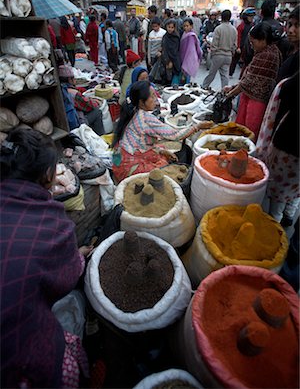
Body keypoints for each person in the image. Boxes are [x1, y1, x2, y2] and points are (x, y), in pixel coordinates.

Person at [0, 128, 93, 388]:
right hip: (15, 360)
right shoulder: (51, 224)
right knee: (63, 366)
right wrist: (78, 257)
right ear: (46, 175)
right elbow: (65, 280)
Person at [255, 6, 299, 225]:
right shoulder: (292, 54)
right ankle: (285, 216)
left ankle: (277, 229)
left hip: (291, 137)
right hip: (284, 131)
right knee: (287, 191)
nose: (291, 30)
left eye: (297, 26)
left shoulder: (279, 55)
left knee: (280, 193)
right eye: (290, 24)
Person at [112, 80, 205, 182]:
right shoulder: (145, 118)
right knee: (162, 168)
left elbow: (142, 142)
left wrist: (162, 151)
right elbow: (175, 135)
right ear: (141, 102)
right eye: (152, 96)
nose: (156, 99)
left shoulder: (133, 111)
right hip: (128, 165)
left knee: (161, 151)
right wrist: (197, 127)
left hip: (121, 158)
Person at [224, 22, 281, 139]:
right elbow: (249, 77)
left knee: (249, 133)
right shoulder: (263, 52)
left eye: (253, 42)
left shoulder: (268, 55)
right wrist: (233, 88)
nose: (251, 45)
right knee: (241, 131)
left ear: (263, 39)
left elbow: (248, 81)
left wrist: (230, 94)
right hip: (248, 96)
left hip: (257, 101)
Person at [59, 64, 104, 135]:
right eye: (73, 78)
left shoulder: (60, 90)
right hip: (77, 123)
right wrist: (97, 102)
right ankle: (100, 136)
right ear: (69, 80)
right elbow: (90, 106)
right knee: (97, 112)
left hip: (66, 122)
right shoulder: (73, 93)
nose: (75, 80)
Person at [202, 9, 237, 89]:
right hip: (228, 56)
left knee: (211, 74)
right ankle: (224, 92)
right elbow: (234, 45)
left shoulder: (218, 29)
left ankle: (204, 87)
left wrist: (212, 54)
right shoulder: (234, 29)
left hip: (218, 55)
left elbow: (214, 44)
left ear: (221, 17)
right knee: (225, 76)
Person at [229, 7, 255, 77]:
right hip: (241, 46)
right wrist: (238, 47)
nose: (251, 18)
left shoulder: (253, 26)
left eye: (252, 16)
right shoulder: (241, 26)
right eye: (250, 16)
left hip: (249, 47)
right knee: (234, 60)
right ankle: (230, 73)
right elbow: (238, 37)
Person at [179, 18, 202, 84]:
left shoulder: (191, 36)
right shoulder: (184, 34)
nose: (185, 28)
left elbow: (191, 49)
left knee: (187, 77)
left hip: (189, 58)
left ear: (191, 26)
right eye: (184, 26)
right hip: (184, 57)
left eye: (187, 26)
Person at [161, 19, 181, 85]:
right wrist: (166, 60)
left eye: (172, 27)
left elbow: (175, 50)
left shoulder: (176, 37)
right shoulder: (165, 36)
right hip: (165, 59)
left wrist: (171, 61)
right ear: (166, 27)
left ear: (174, 28)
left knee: (172, 79)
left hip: (174, 61)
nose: (170, 29)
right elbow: (164, 48)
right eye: (169, 27)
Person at [145, 5, 158, 69]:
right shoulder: (152, 21)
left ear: (153, 13)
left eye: (149, 13)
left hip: (153, 47)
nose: (148, 15)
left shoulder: (153, 22)